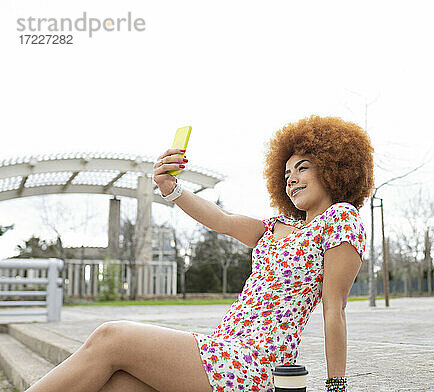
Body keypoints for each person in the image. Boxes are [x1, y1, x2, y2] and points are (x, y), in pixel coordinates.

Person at [26, 115, 374, 392]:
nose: (292, 179)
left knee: (111, 336)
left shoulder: (340, 219)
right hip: (222, 347)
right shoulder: (273, 227)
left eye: (303, 168)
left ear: (333, 168)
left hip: (256, 364)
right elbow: (221, 219)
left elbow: (334, 309)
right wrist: (172, 188)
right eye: (286, 173)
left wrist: (336, 386)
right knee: (115, 384)